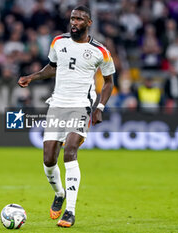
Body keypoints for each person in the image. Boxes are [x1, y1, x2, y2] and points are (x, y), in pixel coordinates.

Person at [18, 6, 115, 228]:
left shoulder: (100, 51)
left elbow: (109, 81)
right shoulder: (58, 42)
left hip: (81, 106)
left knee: (70, 151)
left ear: (89, 23)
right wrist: (31, 77)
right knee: (49, 159)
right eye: (72, 18)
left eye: (79, 19)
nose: (74, 22)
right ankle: (59, 193)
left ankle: (70, 211)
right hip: (57, 105)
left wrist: (100, 106)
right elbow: (52, 68)